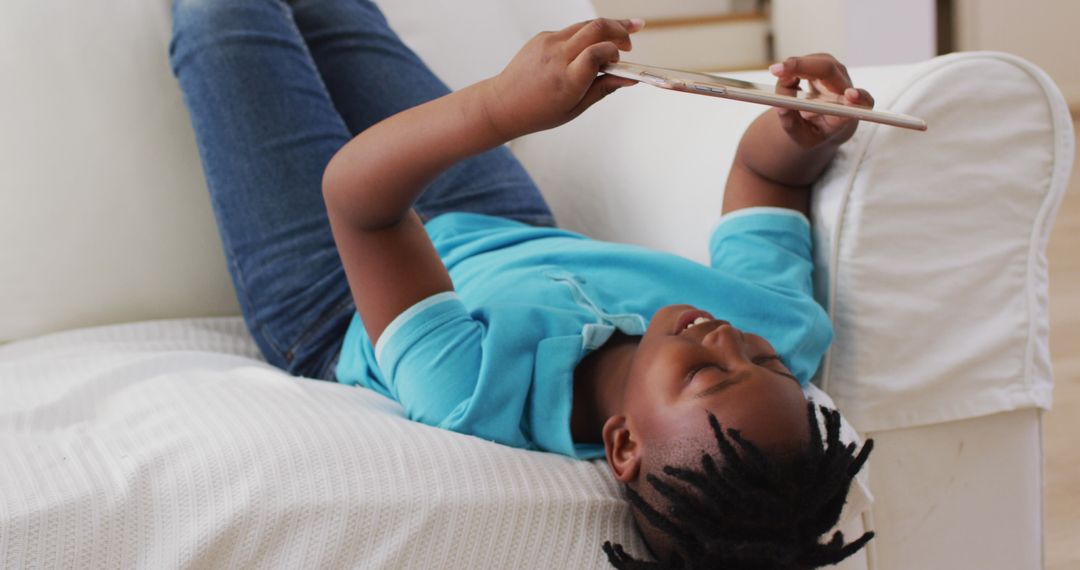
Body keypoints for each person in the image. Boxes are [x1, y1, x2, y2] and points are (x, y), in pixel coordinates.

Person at [170, 0, 874, 567]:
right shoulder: (780, 330)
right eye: (763, 361)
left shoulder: (470, 392)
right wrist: (806, 128)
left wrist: (500, 109)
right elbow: (769, 176)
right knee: (333, 12)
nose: (728, 340)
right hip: (500, 219)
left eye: (705, 375)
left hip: (336, 288)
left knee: (221, 16)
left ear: (624, 446)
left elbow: (360, 202)